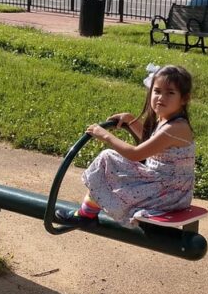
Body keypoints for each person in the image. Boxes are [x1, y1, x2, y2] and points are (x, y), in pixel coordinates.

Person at [55, 65, 196, 226]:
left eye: (170, 93)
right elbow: (151, 142)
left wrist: (106, 135)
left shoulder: (175, 128)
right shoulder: (167, 120)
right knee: (114, 166)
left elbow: (136, 154)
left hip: (168, 194)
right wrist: (130, 120)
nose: (161, 98)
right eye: (157, 91)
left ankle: (86, 215)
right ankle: (89, 211)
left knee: (108, 158)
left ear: (184, 98)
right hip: (169, 188)